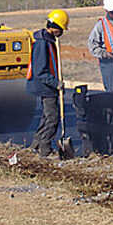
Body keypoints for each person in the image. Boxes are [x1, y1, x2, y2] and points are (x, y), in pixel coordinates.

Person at [27, 9, 69, 157]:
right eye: (61, 29)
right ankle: (44, 150)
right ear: (55, 26)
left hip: (48, 86)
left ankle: (36, 145)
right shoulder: (41, 43)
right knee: (53, 118)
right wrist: (56, 83)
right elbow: (40, 71)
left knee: (46, 117)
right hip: (45, 86)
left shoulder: (49, 40)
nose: (62, 33)